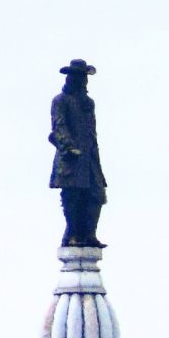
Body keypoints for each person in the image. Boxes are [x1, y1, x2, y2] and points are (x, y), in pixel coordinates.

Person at [49, 60, 107, 245]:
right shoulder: (60, 100)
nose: (83, 81)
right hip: (70, 158)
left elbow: (92, 132)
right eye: (79, 76)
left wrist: (93, 155)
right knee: (72, 197)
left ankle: (89, 234)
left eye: (85, 77)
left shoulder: (89, 103)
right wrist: (68, 146)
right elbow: (59, 125)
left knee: (96, 195)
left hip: (89, 159)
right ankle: (73, 235)